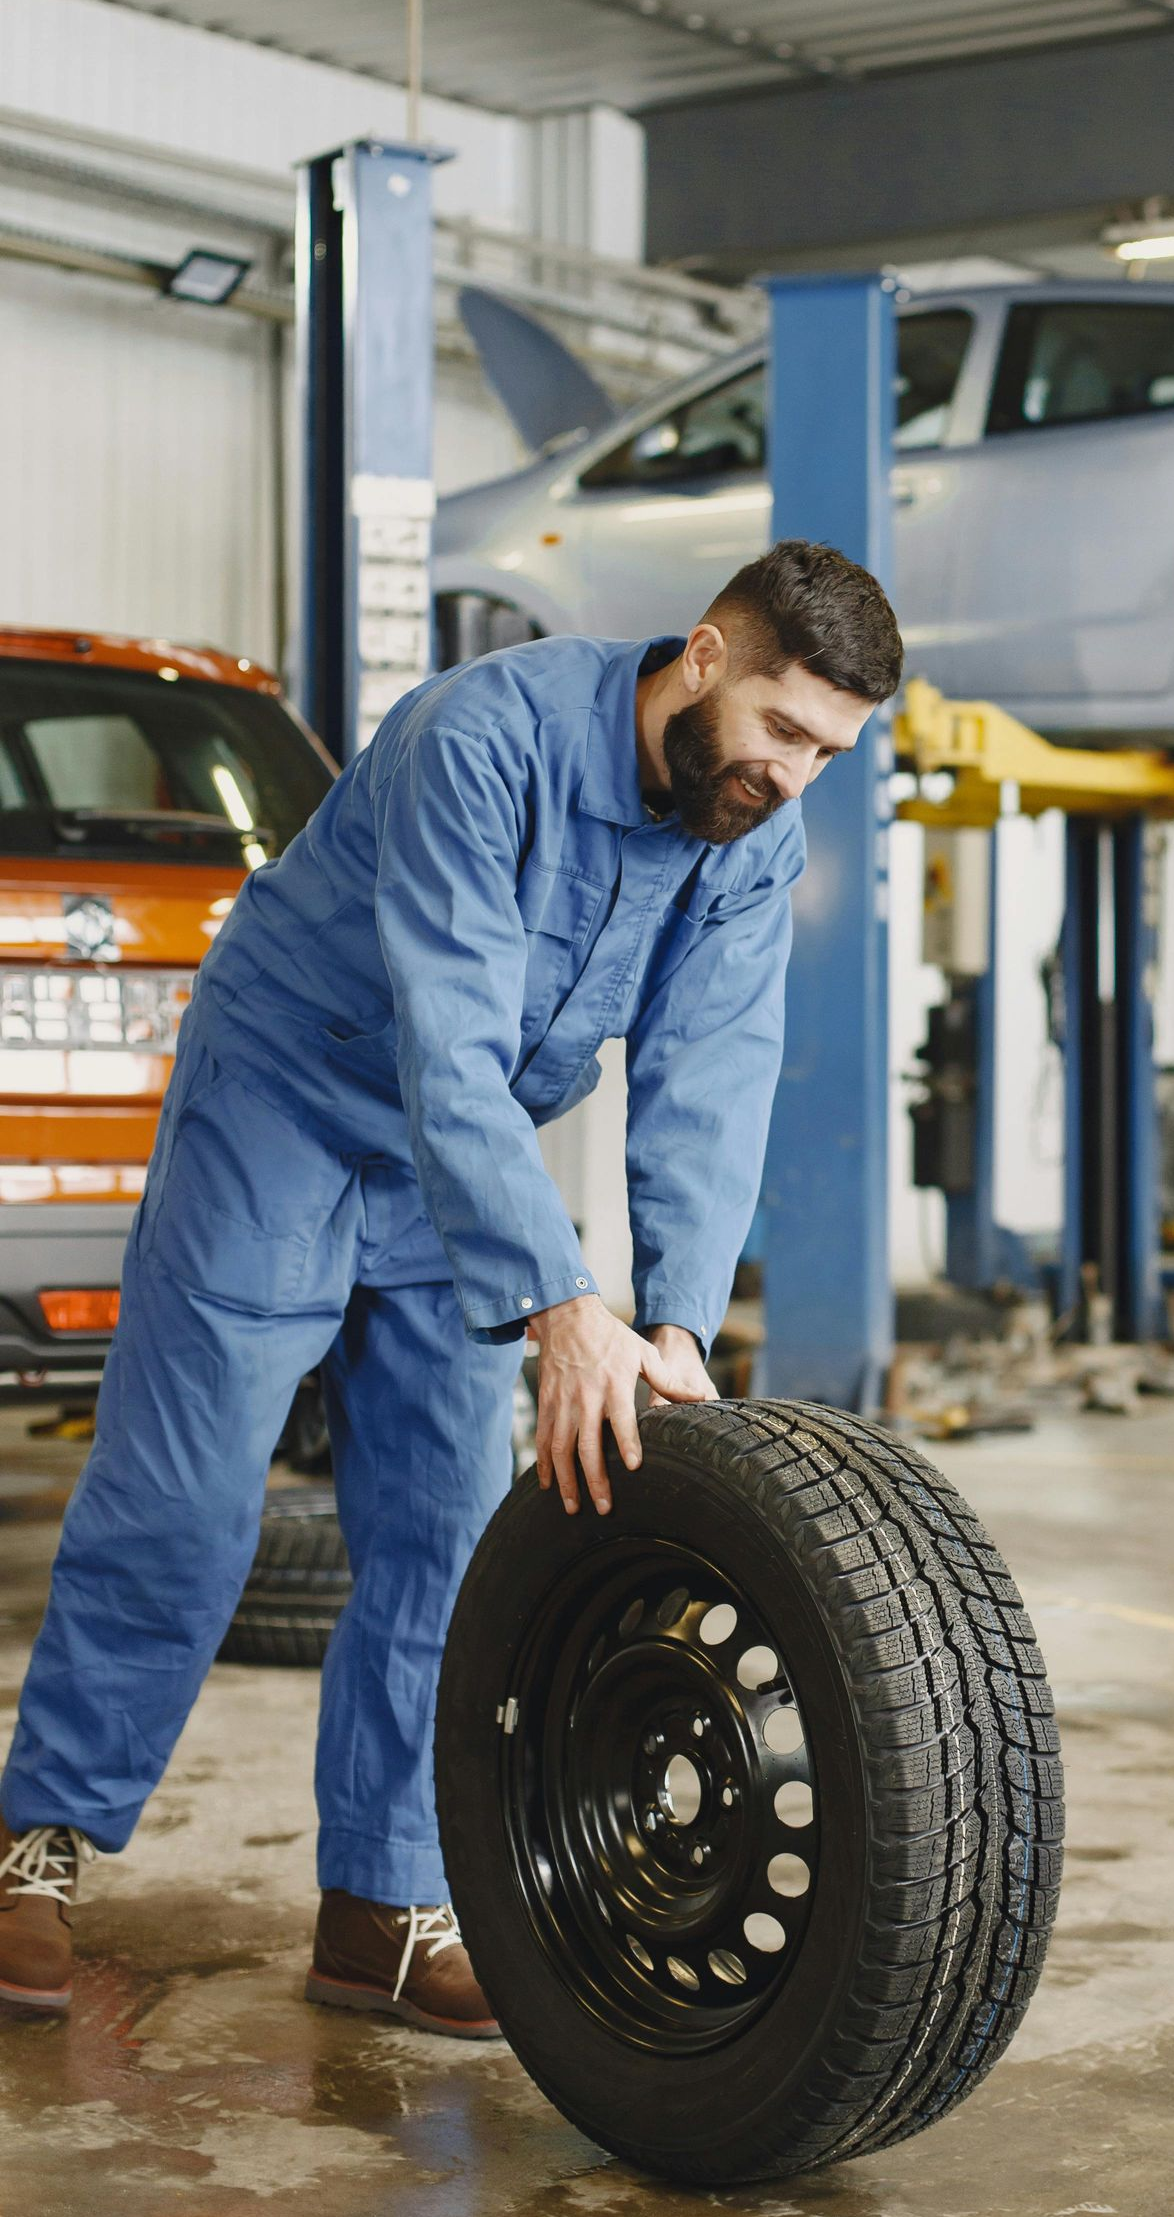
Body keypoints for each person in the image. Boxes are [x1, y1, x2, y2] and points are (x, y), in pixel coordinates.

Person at [0, 539, 901, 2031]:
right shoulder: (479, 740)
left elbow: (710, 1075)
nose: (797, 774)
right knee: (190, 1498)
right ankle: (40, 1842)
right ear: (703, 656)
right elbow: (451, 1036)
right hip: (287, 1107)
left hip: (455, 1169)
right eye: (784, 730)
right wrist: (558, 1305)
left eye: (831, 750)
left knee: (441, 1520)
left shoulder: (751, 835)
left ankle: (380, 1898)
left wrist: (669, 1316)